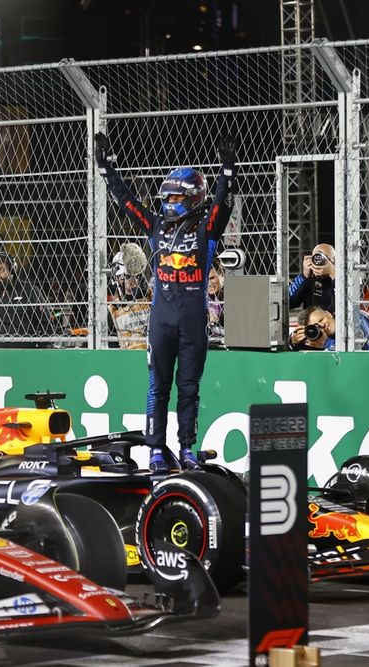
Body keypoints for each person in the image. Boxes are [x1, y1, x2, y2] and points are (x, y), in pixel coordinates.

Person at [95, 130, 237, 472]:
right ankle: (156, 451)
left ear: (191, 197)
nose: (169, 201)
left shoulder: (207, 229)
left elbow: (222, 202)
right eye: (168, 195)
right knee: (157, 386)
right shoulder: (156, 224)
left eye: (175, 196)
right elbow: (128, 203)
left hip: (193, 319)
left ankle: (187, 449)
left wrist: (228, 169)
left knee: (188, 387)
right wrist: (107, 171)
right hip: (161, 320)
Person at [0, 251, 56, 346]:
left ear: (11, 270)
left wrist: (42, 349)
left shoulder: (30, 290)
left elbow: (47, 323)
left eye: (1, 270)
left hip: (24, 353)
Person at [108, 243, 151, 350]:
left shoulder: (150, 297)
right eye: (127, 276)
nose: (133, 280)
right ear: (117, 278)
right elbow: (113, 346)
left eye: (136, 276)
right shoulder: (113, 309)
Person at [288, 243, 335, 313]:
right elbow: (289, 303)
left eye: (325, 257)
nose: (319, 259)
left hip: (336, 322)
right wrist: (304, 276)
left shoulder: (342, 277)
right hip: (312, 322)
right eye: (317, 255)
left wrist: (333, 274)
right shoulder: (309, 279)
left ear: (334, 260)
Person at [207, 256, 225, 346]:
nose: (209, 284)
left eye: (212, 278)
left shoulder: (229, 293)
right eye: (205, 280)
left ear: (221, 275)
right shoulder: (200, 295)